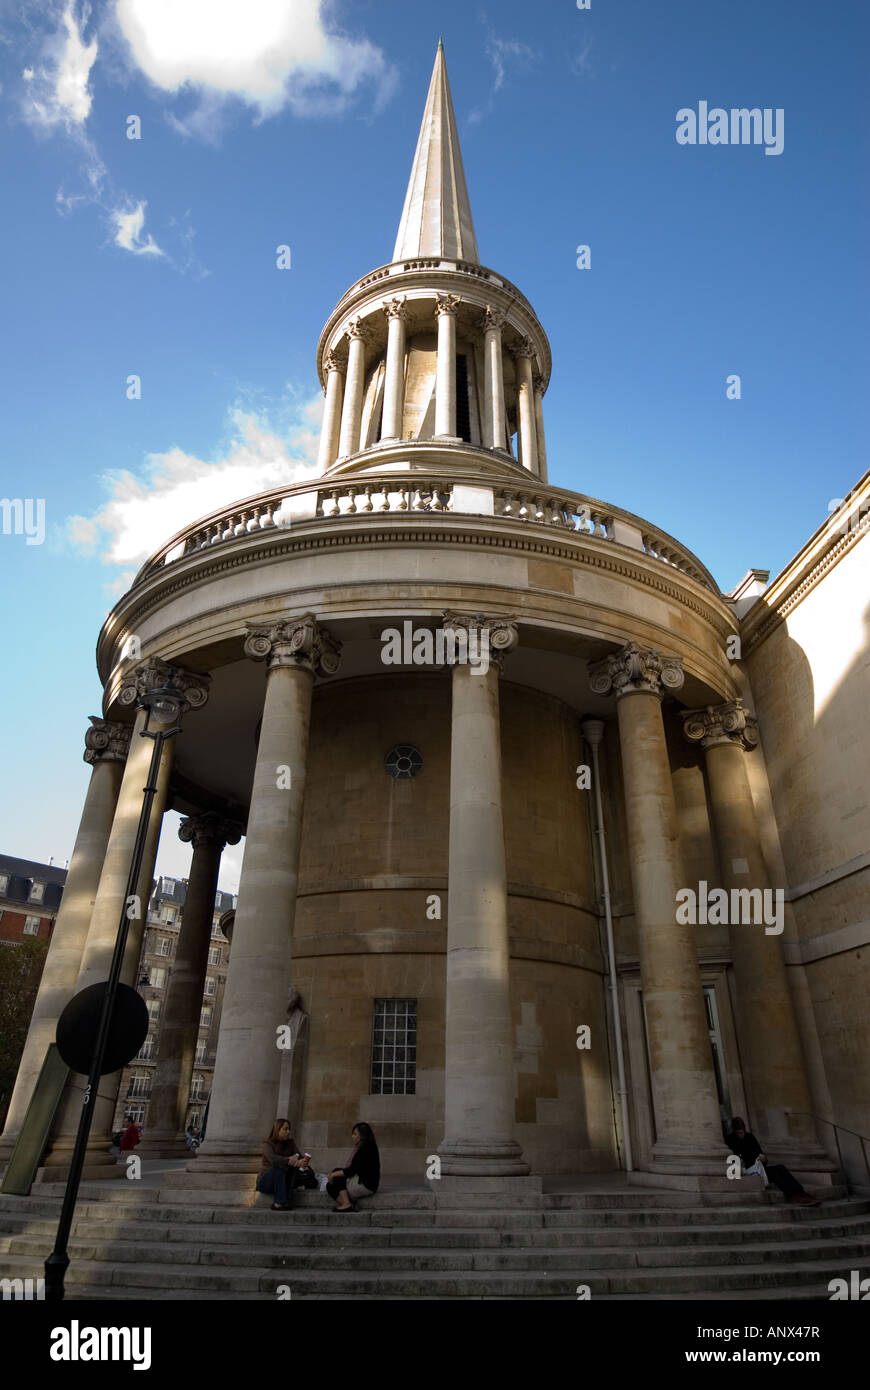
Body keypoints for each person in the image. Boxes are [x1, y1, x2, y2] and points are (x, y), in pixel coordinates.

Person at [726, 1117, 820, 1206]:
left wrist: (764, 1158)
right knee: (775, 1174)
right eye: (738, 1133)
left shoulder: (750, 1137)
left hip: (759, 1169)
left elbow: (760, 1153)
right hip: (747, 1172)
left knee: (780, 1168)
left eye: (742, 1132)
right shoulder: (731, 1140)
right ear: (734, 1132)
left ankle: (801, 1193)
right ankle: (793, 1196)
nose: (741, 1135)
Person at [256, 1118, 311, 1211]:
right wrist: (289, 1159)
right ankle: (278, 1203)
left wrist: (302, 1162)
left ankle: (286, 1201)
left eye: (289, 1129)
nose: (288, 1131)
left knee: (293, 1168)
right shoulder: (268, 1144)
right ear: (278, 1130)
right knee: (278, 1167)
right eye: (285, 1129)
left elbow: (299, 1157)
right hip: (266, 1182)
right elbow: (273, 1160)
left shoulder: (291, 1143)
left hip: (282, 1181)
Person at [326, 1122, 380, 1212]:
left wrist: (333, 1175)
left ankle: (347, 1204)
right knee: (330, 1185)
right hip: (368, 1184)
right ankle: (349, 1203)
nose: (352, 1136)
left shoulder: (364, 1150)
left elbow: (350, 1171)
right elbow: (350, 1167)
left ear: (362, 1136)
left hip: (365, 1185)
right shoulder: (368, 1146)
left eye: (355, 1134)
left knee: (337, 1177)